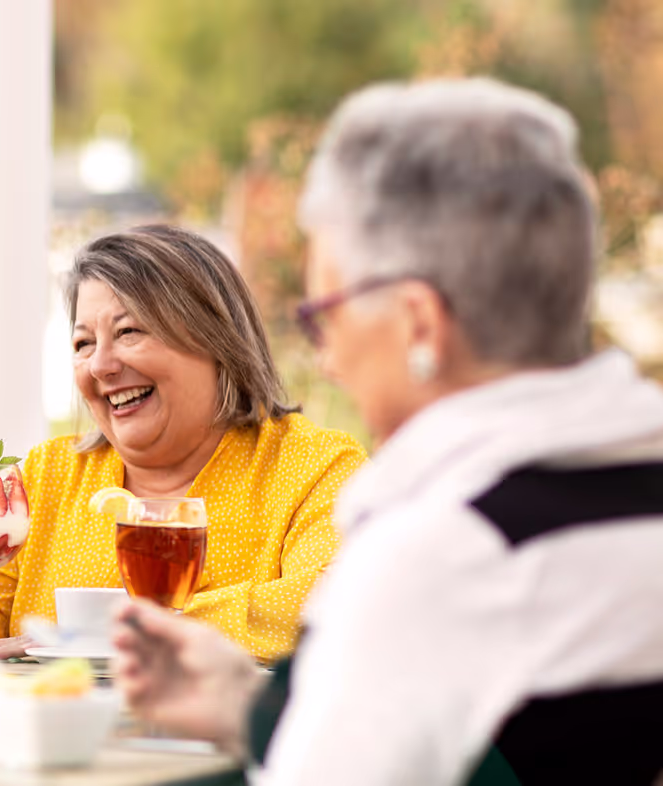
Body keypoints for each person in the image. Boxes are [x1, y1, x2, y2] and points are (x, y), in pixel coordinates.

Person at [114, 78, 663, 785]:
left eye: (328, 316)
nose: (326, 356)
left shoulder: (443, 553)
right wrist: (252, 704)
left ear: (419, 325)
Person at [0, 225, 365, 661]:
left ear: (216, 340)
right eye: (83, 343)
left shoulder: (313, 468)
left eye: (129, 332)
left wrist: (107, 634)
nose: (100, 366)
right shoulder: (49, 476)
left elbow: (326, 606)